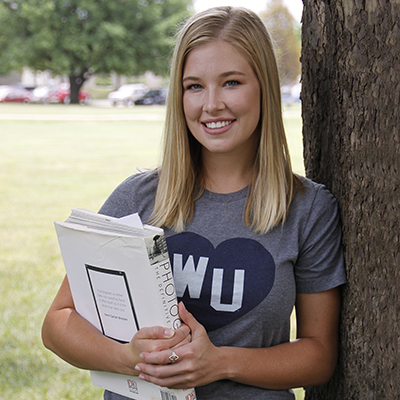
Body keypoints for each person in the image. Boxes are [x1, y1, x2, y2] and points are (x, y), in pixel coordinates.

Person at [42, 6, 347, 400]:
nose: (212, 104)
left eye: (232, 82)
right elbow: (58, 323)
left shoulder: (308, 210)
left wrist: (218, 362)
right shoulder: (137, 198)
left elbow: (319, 355)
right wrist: (127, 357)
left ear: (264, 88)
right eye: (194, 86)